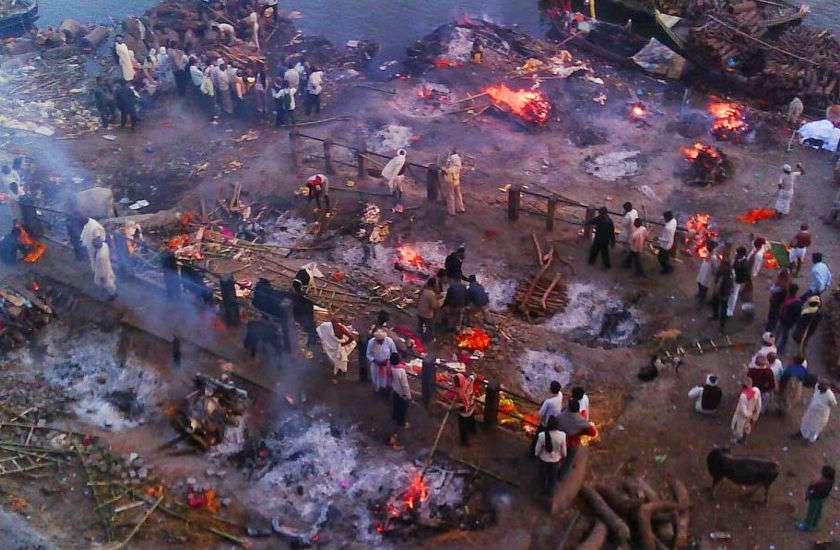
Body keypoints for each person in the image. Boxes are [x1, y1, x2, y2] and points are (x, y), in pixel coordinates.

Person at [534, 417, 566, 496]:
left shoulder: (542, 435)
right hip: (555, 460)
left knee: (542, 476)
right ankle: (550, 492)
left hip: (544, 460)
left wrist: (536, 454)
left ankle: (541, 491)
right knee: (553, 477)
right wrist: (563, 456)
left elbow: (537, 449)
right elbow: (564, 450)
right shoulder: (562, 435)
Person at [797, 466, 835, 531]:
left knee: (811, 512)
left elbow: (815, 490)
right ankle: (814, 524)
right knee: (817, 511)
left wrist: (811, 489)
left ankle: (806, 526)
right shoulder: (830, 482)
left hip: (815, 498)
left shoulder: (822, 484)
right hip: (821, 498)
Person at [740, 237, 768, 316]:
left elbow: (756, 266)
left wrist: (753, 274)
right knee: (747, 283)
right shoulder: (756, 249)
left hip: (751, 271)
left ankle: (747, 298)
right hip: (748, 268)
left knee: (749, 284)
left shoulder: (759, 254)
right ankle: (743, 292)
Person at [389, 352, 412, 446]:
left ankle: (400, 423)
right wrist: (408, 396)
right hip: (402, 394)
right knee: (402, 413)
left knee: (397, 411)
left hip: (395, 393)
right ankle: (393, 439)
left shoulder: (392, 368)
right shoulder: (401, 371)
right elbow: (405, 385)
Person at [711, 246, 735, 331]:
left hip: (721, 290)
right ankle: (720, 322)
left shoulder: (723, 268)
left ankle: (717, 319)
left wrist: (716, 287)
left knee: (719, 305)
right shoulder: (730, 269)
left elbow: (718, 278)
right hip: (726, 291)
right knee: (722, 306)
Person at [731, 376, 761, 444]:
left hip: (742, 415)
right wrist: (755, 416)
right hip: (750, 414)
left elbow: (743, 410)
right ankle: (743, 440)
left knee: (737, 428)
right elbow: (758, 406)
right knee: (747, 428)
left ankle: (736, 440)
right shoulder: (756, 392)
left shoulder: (743, 396)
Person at [366, 328, 397, 393]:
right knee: (376, 379)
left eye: (382, 340)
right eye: (378, 341)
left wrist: (388, 360)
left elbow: (394, 352)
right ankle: (377, 391)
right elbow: (368, 354)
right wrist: (375, 361)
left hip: (387, 365)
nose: (380, 342)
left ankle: (386, 390)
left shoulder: (389, 341)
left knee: (387, 379)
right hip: (376, 364)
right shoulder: (371, 342)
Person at [775, 283, 802, 356]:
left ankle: (778, 348)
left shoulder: (790, 300)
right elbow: (798, 315)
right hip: (787, 322)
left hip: (785, 321)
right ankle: (780, 348)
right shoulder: (797, 301)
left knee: (781, 334)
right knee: (783, 335)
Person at [727, 246, 749, 320]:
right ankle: (728, 304)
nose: (736, 254)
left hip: (737, 281)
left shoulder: (744, 264)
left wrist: (735, 276)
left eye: (738, 253)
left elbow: (743, 276)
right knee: (730, 292)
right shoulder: (738, 258)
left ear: (742, 254)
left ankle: (730, 310)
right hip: (733, 278)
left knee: (734, 295)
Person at [456, 373, 478, 446]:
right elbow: (473, 376)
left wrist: (455, 407)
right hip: (471, 406)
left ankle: (464, 441)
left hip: (464, 410)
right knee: (471, 418)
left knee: (462, 426)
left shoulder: (461, 392)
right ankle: (473, 430)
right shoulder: (468, 382)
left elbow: (462, 404)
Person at [417, 277, 441, 342]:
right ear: (434, 285)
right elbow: (434, 306)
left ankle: (419, 334)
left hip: (419, 311)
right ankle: (427, 339)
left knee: (420, 324)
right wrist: (438, 301)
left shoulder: (424, 290)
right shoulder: (431, 294)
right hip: (426, 315)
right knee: (430, 328)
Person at [695, 239, 719, 304]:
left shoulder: (713, 257)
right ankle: (700, 294)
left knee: (703, 287)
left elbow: (715, 268)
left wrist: (714, 273)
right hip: (703, 272)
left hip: (707, 274)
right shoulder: (710, 255)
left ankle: (701, 299)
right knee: (700, 283)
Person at [443, 149, 465, 215]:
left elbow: (449, 170)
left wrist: (444, 170)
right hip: (456, 180)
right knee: (458, 194)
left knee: (450, 195)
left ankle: (451, 212)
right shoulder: (458, 160)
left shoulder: (451, 159)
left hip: (450, 180)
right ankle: (461, 208)